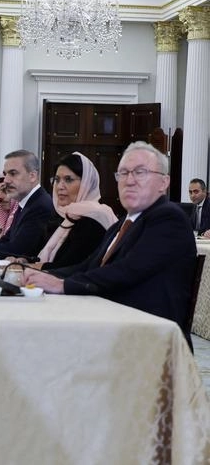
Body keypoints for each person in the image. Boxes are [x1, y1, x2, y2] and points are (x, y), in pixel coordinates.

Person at [25, 141, 196, 347]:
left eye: (140, 172)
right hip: (111, 323)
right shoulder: (122, 223)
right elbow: (87, 266)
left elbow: (128, 270)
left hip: (149, 337)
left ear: (163, 182)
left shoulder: (168, 218)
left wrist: (62, 285)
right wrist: (43, 275)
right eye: (123, 173)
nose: (129, 181)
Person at [33, 152, 118, 270]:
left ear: (86, 183)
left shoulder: (95, 218)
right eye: (57, 180)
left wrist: (30, 267)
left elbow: (72, 267)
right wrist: (24, 260)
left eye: (68, 180)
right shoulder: (63, 215)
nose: (59, 186)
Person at [0, 150, 55, 259]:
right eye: (5, 174)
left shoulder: (39, 206)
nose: (6, 180)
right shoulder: (25, 203)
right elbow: (5, 240)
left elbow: (17, 250)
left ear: (32, 176)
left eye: (13, 173)